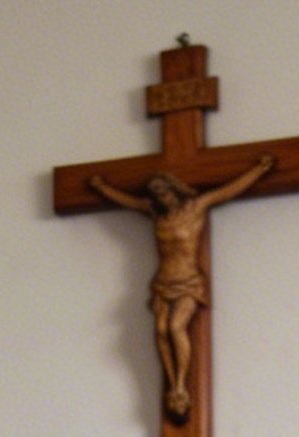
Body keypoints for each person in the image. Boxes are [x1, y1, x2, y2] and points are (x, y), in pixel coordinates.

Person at [87, 155, 275, 419]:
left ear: (173, 189)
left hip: (188, 282)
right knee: (161, 330)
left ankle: (180, 385)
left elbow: (228, 190)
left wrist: (259, 169)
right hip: (162, 283)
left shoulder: (195, 208)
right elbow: (128, 201)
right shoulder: (156, 215)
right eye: (156, 194)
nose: (161, 197)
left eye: (163, 191)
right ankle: (172, 384)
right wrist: (102, 188)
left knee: (176, 327)